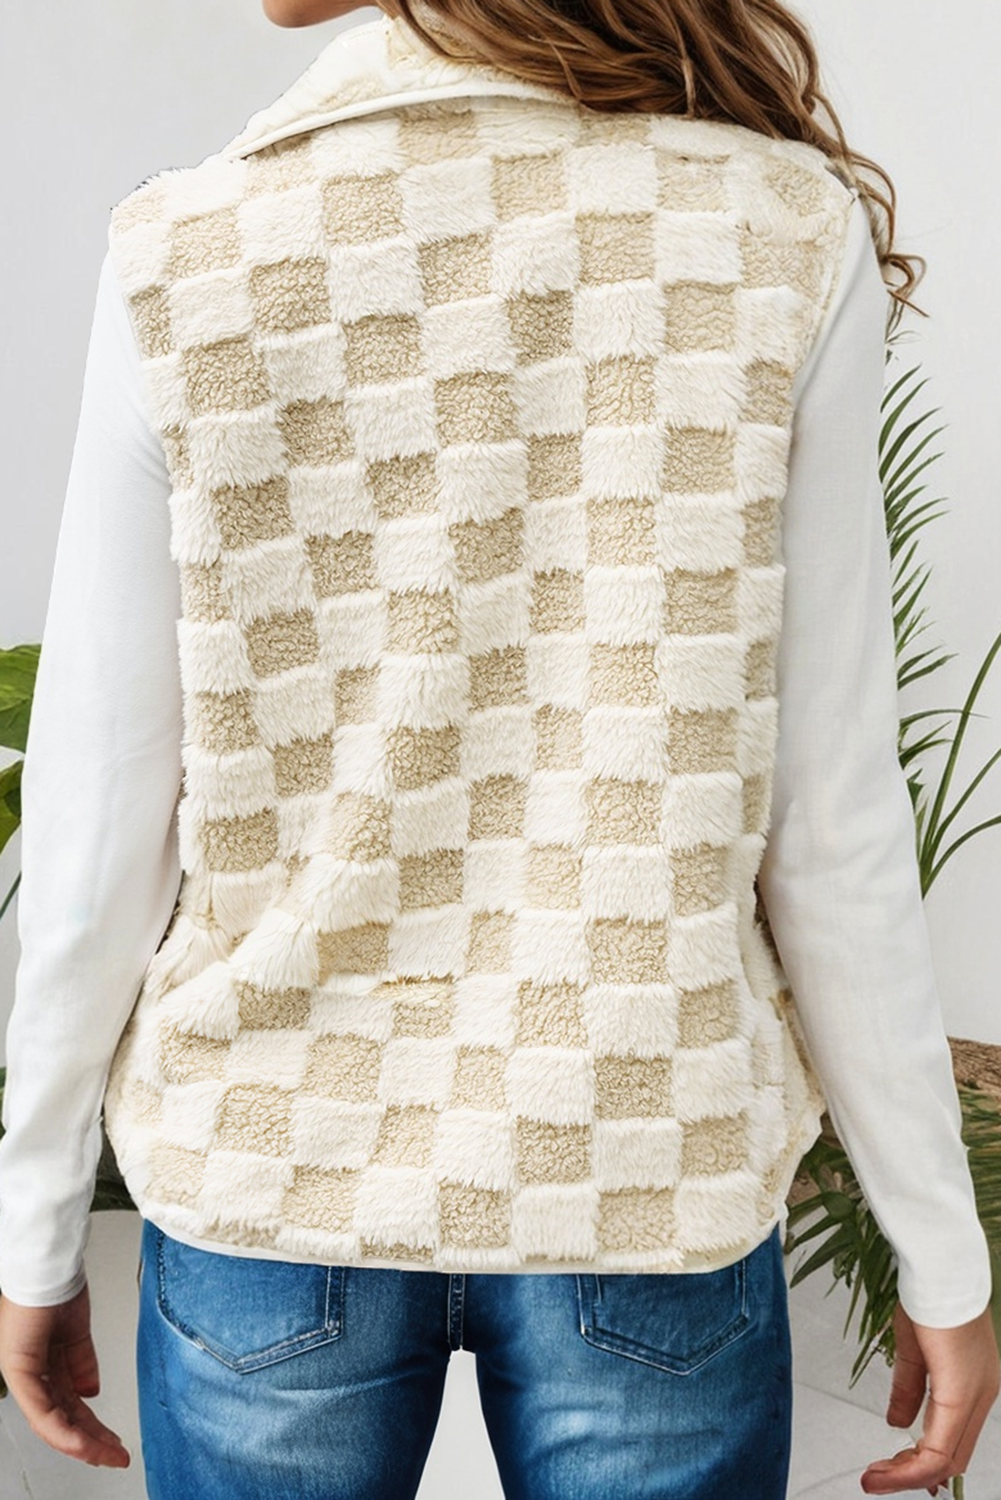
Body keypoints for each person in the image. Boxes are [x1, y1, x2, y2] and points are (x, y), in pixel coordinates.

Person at [0, 0, 997, 1494]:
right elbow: (831, 818)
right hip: (643, 1152)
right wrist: (941, 1248)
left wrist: (30, 1223)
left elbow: (98, 820)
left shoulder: (187, 248)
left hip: (272, 1164)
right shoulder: (778, 232)